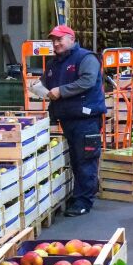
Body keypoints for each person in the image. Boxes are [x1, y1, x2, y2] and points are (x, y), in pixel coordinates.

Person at [39, 25, 106, 217]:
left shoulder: (86, 58)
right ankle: (81, 193)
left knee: (85, 160)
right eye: (53, 40)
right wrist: (38, 88)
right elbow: (45, 82)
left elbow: (87, 81)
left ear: (71, 39)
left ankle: (84, 201)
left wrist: (61, 91)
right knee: (76, 160)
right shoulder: (54, 64)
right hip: (66, 118)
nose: (56, 43)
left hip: (86, 119)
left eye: (60, 39)